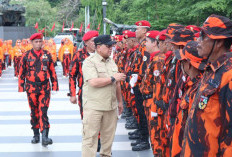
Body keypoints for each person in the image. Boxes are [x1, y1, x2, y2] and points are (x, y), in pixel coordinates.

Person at [181, 14, 232, 156]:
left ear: (219, 42)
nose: (198, 41)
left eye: (203, 37)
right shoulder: (212, 70)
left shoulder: (228, 75)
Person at [82, 35, 125, 157]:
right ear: (99, 47)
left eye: (112, 46)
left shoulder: (111, 61)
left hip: (110, 107)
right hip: (94, 107)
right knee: (90, 140)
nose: (111, 48)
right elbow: (93, 82)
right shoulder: (89, 62)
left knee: (108, 142)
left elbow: (117, 84)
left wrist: (120, 102)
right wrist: (112, 78)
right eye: (108, 46)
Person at [18, 33, 59, 147]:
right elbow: (21, 73)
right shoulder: (26, 55)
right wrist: (21, 89)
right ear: (31, 43)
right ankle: (36, 134)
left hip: (44, 88)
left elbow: (52, 71)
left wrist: (55, 86)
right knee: (34, 112)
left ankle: (45, 136)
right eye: (36, 42)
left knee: (43, 111)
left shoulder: (47, 54)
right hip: (31, 88)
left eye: (40, 41)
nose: (38, 44)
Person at [171, 41, 206, 157]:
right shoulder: (192, 85)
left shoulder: (199, 90)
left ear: (189, 65)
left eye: (182, 62)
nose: (180, 65)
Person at [69, 30, 99, 119]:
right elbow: (72, 76)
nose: (95, 43)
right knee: (87, 120)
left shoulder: (101, 54)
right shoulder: (79, 55)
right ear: (86, 42)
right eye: (93, 41)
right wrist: (73, 94)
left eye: (97, 40)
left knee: (100, 120)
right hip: (85, 92)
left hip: (100, 92)